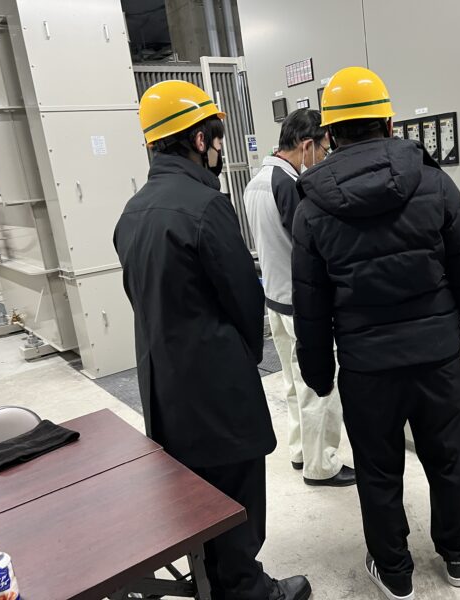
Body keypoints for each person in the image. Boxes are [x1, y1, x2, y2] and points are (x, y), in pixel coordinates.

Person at [292, 67, 460, 600]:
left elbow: (310, 305)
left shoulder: (312, 207)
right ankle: (457, 557)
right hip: (436, 359)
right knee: (448, 459)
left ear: (330, 133)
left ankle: (395, 572)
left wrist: (318, 372)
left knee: (378, 471)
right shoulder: (434, 183)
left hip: (367, 369)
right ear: (389, 123)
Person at [114, 80, 311, 600]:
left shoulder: (132, 212)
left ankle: (215, 584)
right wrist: (240, 358)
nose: (220, 151)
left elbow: (140, 297)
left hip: (163, 391)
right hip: (216, 394)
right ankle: (247, 590)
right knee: (235, 500)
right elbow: (244, 299)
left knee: (196, 501)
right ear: (200, 140)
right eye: (217, 140)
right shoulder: (205, 206)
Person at [243, 108, 354, 487]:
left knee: (293, 384)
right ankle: (321, 465)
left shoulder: (256, 181)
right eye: (323, 149)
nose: (323, 157)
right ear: (307, 145)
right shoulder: (289, 185)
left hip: (275, 300)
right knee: (317, 388)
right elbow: (311, 247)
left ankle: (300, 451)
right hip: (300, 305)